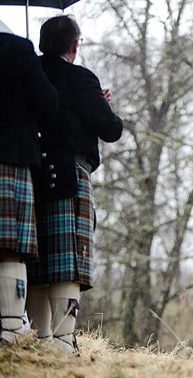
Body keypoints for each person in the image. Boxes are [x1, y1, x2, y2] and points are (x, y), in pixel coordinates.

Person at [25, 15, 123, 354]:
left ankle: (39, 341)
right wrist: (103, 103)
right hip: (71, 172)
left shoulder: (29, 74)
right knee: (69, 262)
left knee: (35, 260)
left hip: (30, 173)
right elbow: (110, 129)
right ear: (74, 45)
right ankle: (65, 340)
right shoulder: (81, 78)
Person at [0, 21, 59, 344]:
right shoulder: (18, 48)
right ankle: (10, 329)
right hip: (10, 154)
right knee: (10, 247)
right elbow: (48, 105)